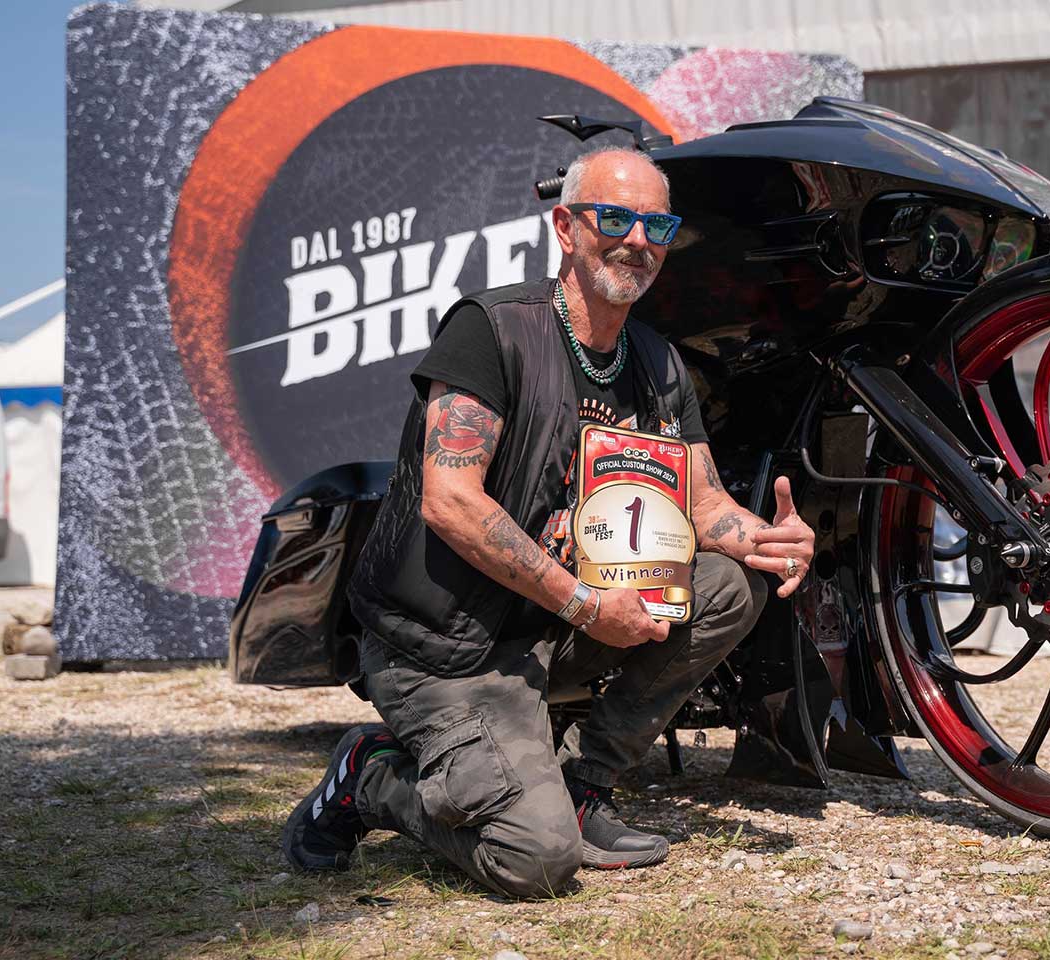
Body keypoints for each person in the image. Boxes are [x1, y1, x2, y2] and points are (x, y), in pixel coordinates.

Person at [281, 147, 815, 899]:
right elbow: (450, 499)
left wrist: (769, 539)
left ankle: (585, 782)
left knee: (729, 585)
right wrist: (584, 604)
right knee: (534, 859)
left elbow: (704, 506)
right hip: (445, 649)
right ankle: (369, 778)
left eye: (656, 224)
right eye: (615, 218)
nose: (637, 240)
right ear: (566, 227)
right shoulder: (492, 330)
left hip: (554, 630)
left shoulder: (659, 366)